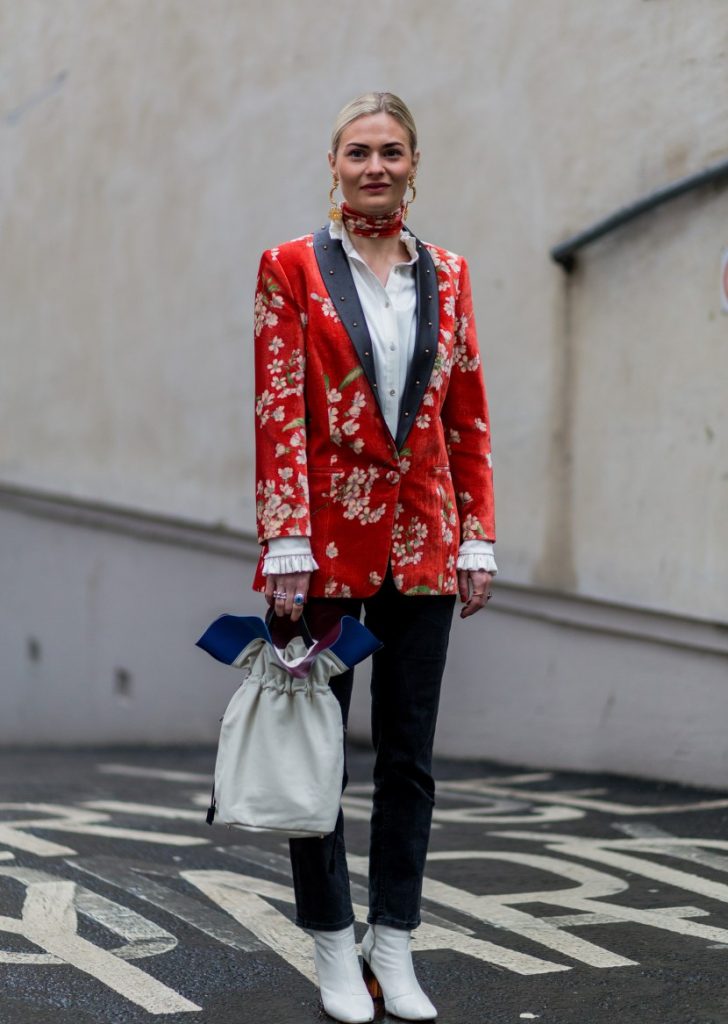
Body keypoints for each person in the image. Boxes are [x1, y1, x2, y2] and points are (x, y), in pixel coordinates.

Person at [252, 91, 496, 1023]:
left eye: (392, 151)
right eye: (359, 151)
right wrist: (285, 541)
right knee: (318, 763)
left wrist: (477, 533)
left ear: (414, 163)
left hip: (426, 547)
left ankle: (393, 944)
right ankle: (329, 948)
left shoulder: (451, 272)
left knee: (411, 760)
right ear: (333, 162)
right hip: (322, 555)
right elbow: (279, 409)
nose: (376, 167)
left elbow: (463, 411)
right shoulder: (292, 269)